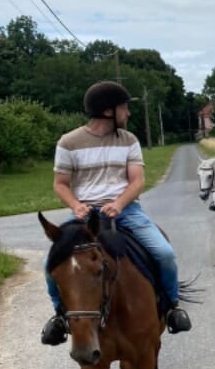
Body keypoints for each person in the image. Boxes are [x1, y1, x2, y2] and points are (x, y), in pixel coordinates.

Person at [41, 81, 192, 345]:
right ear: (108, 111)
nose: (128, 113)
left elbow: (137, 181)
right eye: (124, 107)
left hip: (126, 210)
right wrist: (76, 205)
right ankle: (59, 316)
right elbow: (60, 184)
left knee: (164, 253)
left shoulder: (129, 140)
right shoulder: (68, 142)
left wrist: (120, 203)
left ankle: (172, 307)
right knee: (49, 263)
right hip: (83, 213)